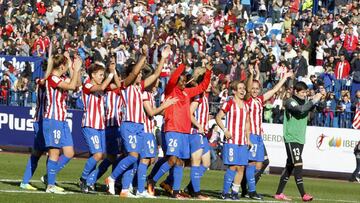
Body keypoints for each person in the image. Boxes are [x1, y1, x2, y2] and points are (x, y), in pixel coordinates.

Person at [105, 45, 172, 197]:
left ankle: (125, 190)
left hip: (140, 126)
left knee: (134, 160)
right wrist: (143, 56)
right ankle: (112, 178)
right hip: (128, 125)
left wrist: (162, 58)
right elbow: (135, 71)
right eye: (140, 73)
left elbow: (155, 75)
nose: (141, 75)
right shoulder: (125, 85)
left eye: (142, 73)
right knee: (133, 156)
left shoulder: (139, 88)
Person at [147, 61, 212, 199]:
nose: (183, 83)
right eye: (181, 81)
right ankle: (152, 181)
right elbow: (172, 78)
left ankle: (175, 192)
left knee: (180, 163)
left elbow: (203, 87)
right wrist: (183, 64)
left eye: (184, 81)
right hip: (172, 129)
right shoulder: (171, 90)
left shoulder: (187, 93)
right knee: (172, 159)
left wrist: (208, 72)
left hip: (184, 132)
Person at [241, 65, 294, 199]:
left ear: (259, 90)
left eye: (256, 89)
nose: (254, 91)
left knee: (261, 162)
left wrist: (285, 77)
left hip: (258, 136)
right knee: (252, 163)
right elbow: (248, 87)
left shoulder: (260, 100)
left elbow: (275, 89)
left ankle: (244, 186)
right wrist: (252, 75)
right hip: (251, 134)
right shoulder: (247, 100)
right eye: (252, 89)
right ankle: (250, 191)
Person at [274, 81, 323, 201]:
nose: (304, 94)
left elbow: (319, 110)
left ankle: (279, 193)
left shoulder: (306, 102)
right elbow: (300, 110)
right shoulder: (290, 101)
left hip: (300, 138)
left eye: (306, 92)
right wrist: (313, 100)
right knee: (298, 164)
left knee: (290, 166)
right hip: (291, 137)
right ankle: (303, 195)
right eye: (302, 92)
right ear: (295, 91)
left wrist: (320, 98)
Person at [42, 53, 82, 194]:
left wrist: (73, 67)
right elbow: (71, 86)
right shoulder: (52, 78)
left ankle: (48, 176)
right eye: (66, 67)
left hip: (62, 120)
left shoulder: (61, 78)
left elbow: (77, 85)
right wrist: (76, 70)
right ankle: (50, 185)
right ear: (62, 66)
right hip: (53, 119)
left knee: (69, 153)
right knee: (54, 153)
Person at [78, 61, 119, 193]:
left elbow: (118, 85)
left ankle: (90, 182)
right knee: (97, 154)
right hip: (90, 124)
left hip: (101, 126)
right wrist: (110, 74)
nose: (102, 77)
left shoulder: (103, 86)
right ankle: (83, 179)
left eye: (103, 75)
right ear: (93, 74)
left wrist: (114, 72)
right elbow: (101, 88)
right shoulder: (88, 84)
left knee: (100, 155)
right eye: (100, 75)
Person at [20, 46, 54, 191]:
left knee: (43, 152)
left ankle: (27, 181)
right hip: (41, 120)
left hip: (44, 121)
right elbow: (44, 81)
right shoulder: (42, 80)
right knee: (50, 151)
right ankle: (47, 181)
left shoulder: (50, 80)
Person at [215, 80, 251, 200]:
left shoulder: (246, 105)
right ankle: (225, 192)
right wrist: (225, 130)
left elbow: (247, 123)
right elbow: (218, 117)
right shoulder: (229, 103)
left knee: (241, 167)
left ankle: (234, 192)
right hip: (232, 141)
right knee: (233, 166)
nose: (242, 91)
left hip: (242, 141)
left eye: (243, 88)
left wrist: (248, 139)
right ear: (234, 91)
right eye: (240, 88)